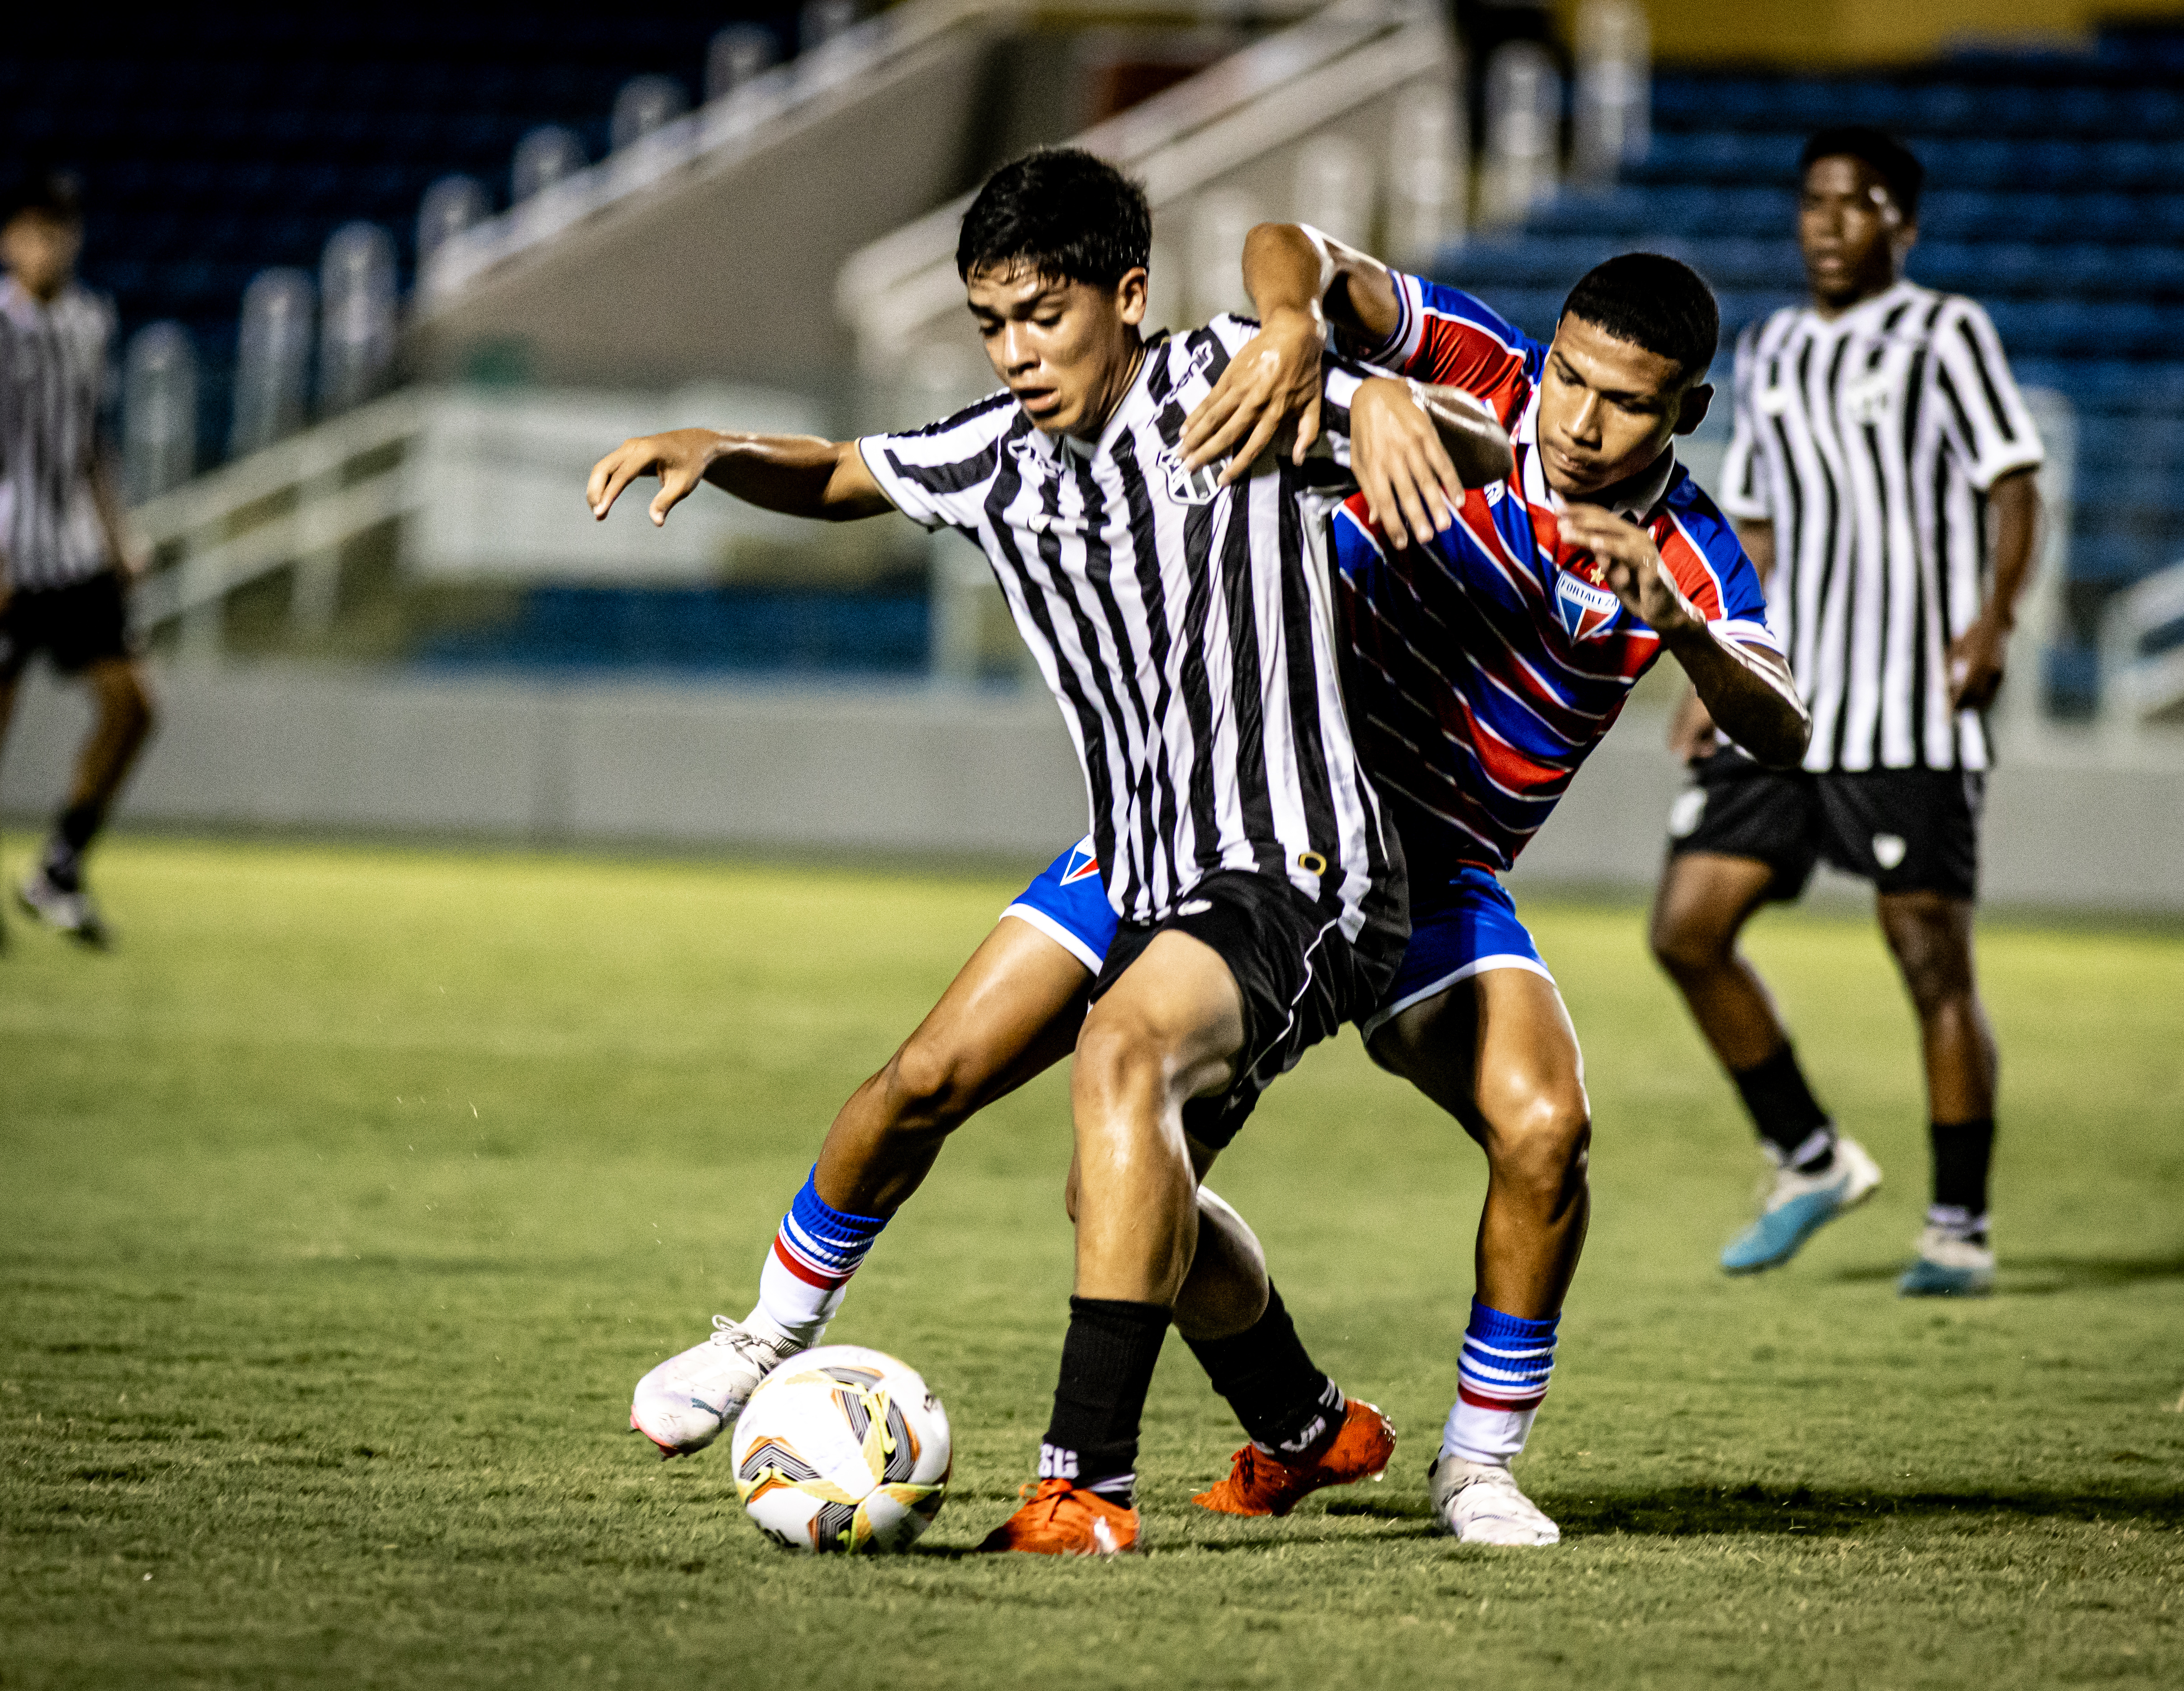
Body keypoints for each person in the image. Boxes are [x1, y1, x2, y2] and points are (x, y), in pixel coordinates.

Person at [616, 221, 1806, 1549]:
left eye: (1626, 402)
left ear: (1686, 411)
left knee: (1544, 1130)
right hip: (1230, 795)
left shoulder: (1688, 553)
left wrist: (1687, 628)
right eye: (1571, 380)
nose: (1579, 420)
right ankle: (1292, 1425)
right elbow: (1292, 249)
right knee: (1021, 1130)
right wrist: (1300, 327)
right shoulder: (1476, 368)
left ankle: (1473, 1467)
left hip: (1426, 870)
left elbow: (1784, 726)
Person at [1649, 127, 2045, 1298]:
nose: (1826, 223)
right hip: (1788, 702)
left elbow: (2011, 480)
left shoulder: (1946, 332)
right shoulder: (1767, 349)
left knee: (1927, 958)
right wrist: (1713, 663)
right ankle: (1808, 1159)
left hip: (1910, 705)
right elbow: (1756, 525)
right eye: (1813, 202)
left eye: (1856, 204)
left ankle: (1958, 1229)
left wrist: (1992, 621)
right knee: (1687, 927)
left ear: (1902, 226)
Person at [0, 168, 154, 956]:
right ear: (6, 241)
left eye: (59, 229)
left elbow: (91, 440)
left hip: (76, 558)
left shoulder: (92, 320)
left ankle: (58, 866)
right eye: (33, 230)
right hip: (6, 557)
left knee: (134, 707)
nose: (47, 244)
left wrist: (118, 535)